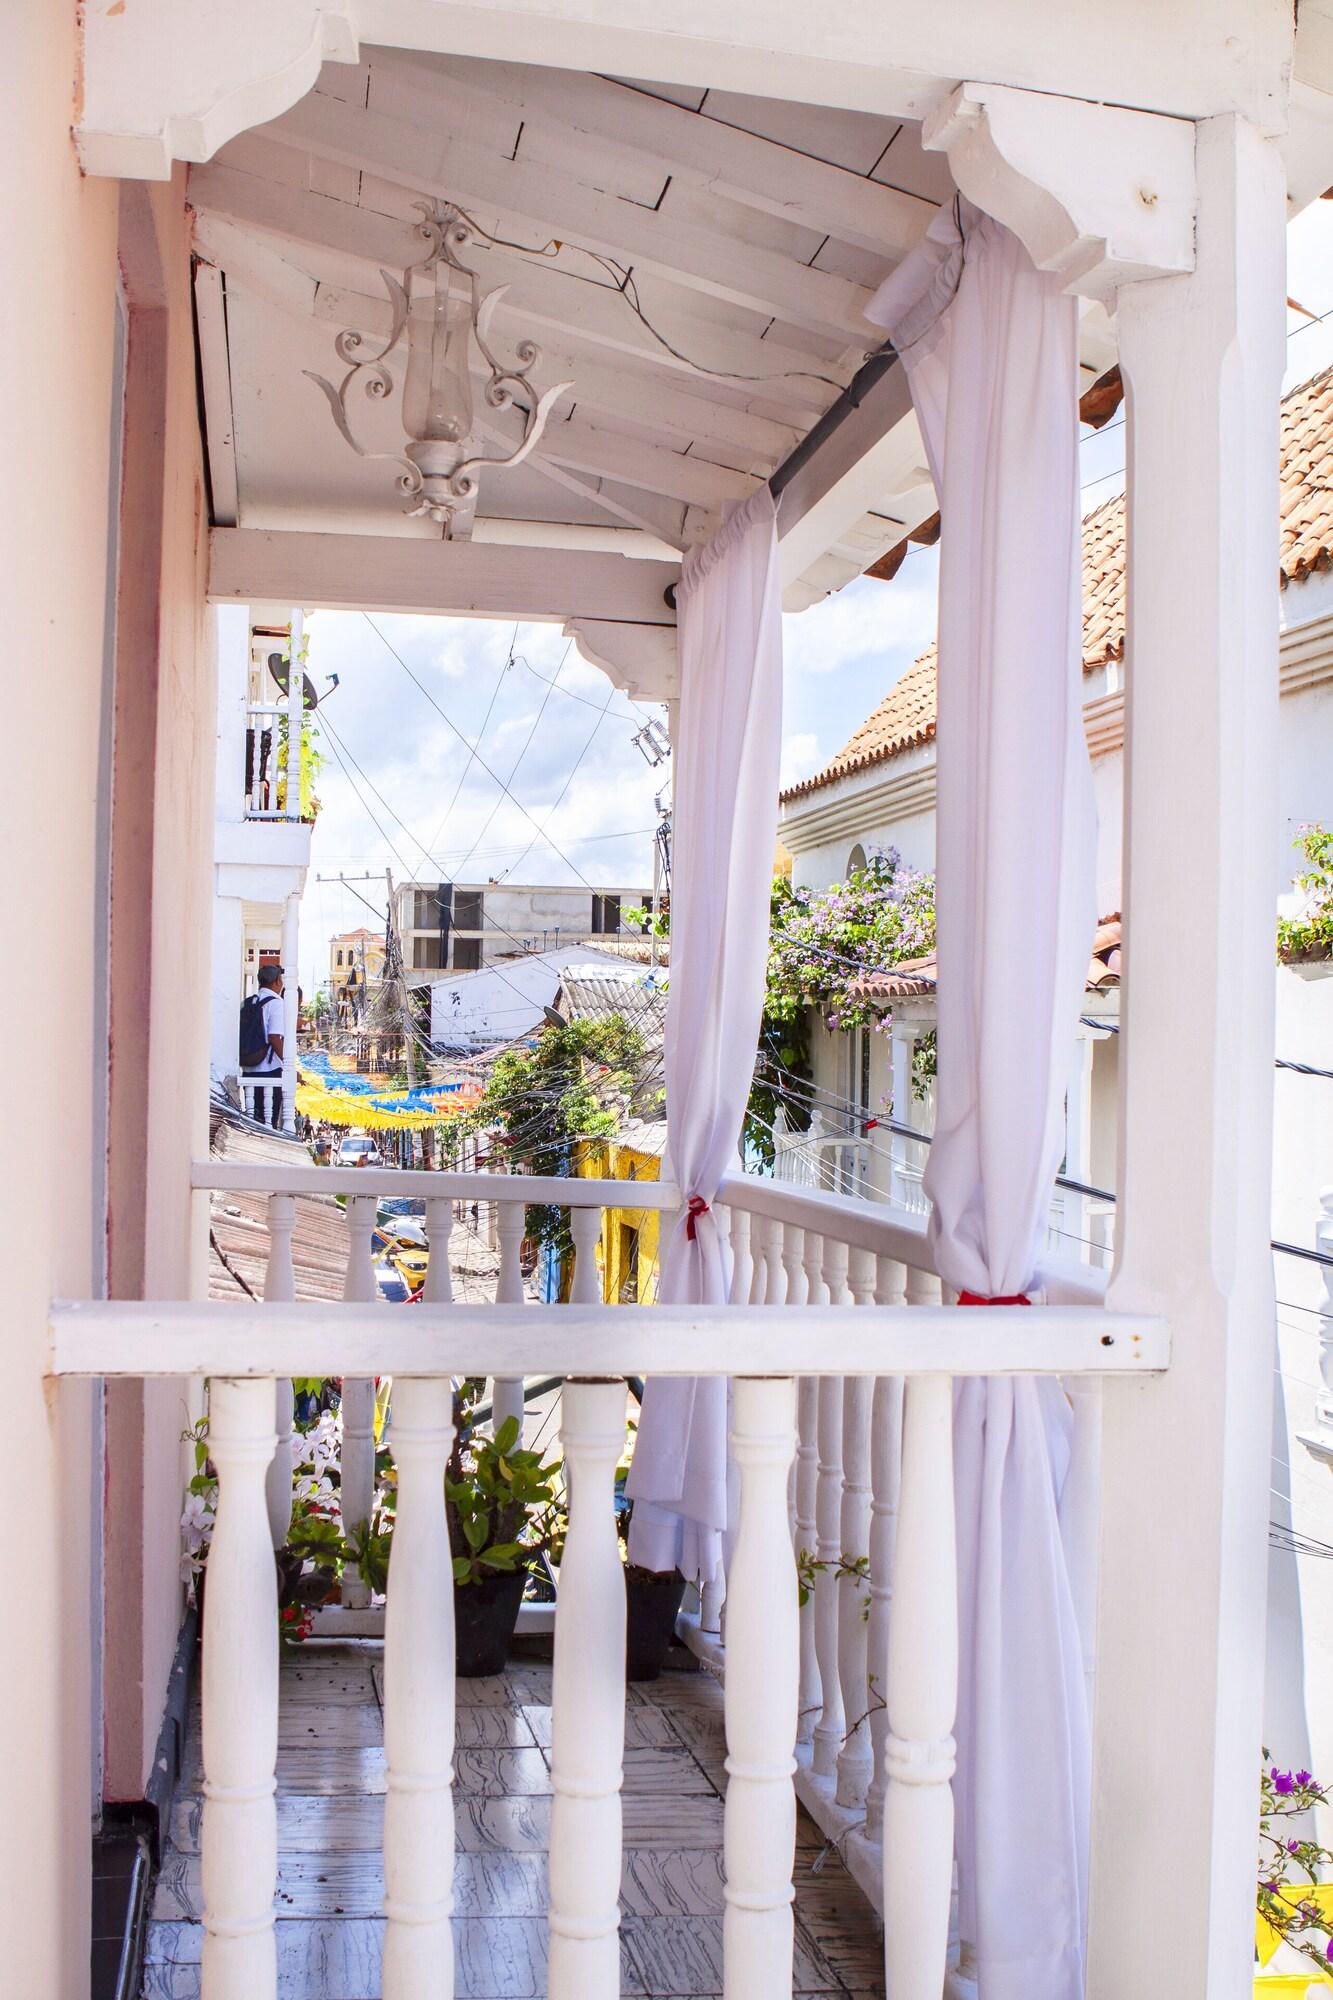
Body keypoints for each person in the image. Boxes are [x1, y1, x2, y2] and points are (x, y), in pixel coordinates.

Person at [240, 961, 286, 1129]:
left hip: (249, 1068)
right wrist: (288, 1065)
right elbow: (274, 1037)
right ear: (277, 982)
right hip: (269, 1070)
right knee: (269, 1123)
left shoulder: (248, 1002)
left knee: (254, 1120)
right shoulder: (276, 1003)